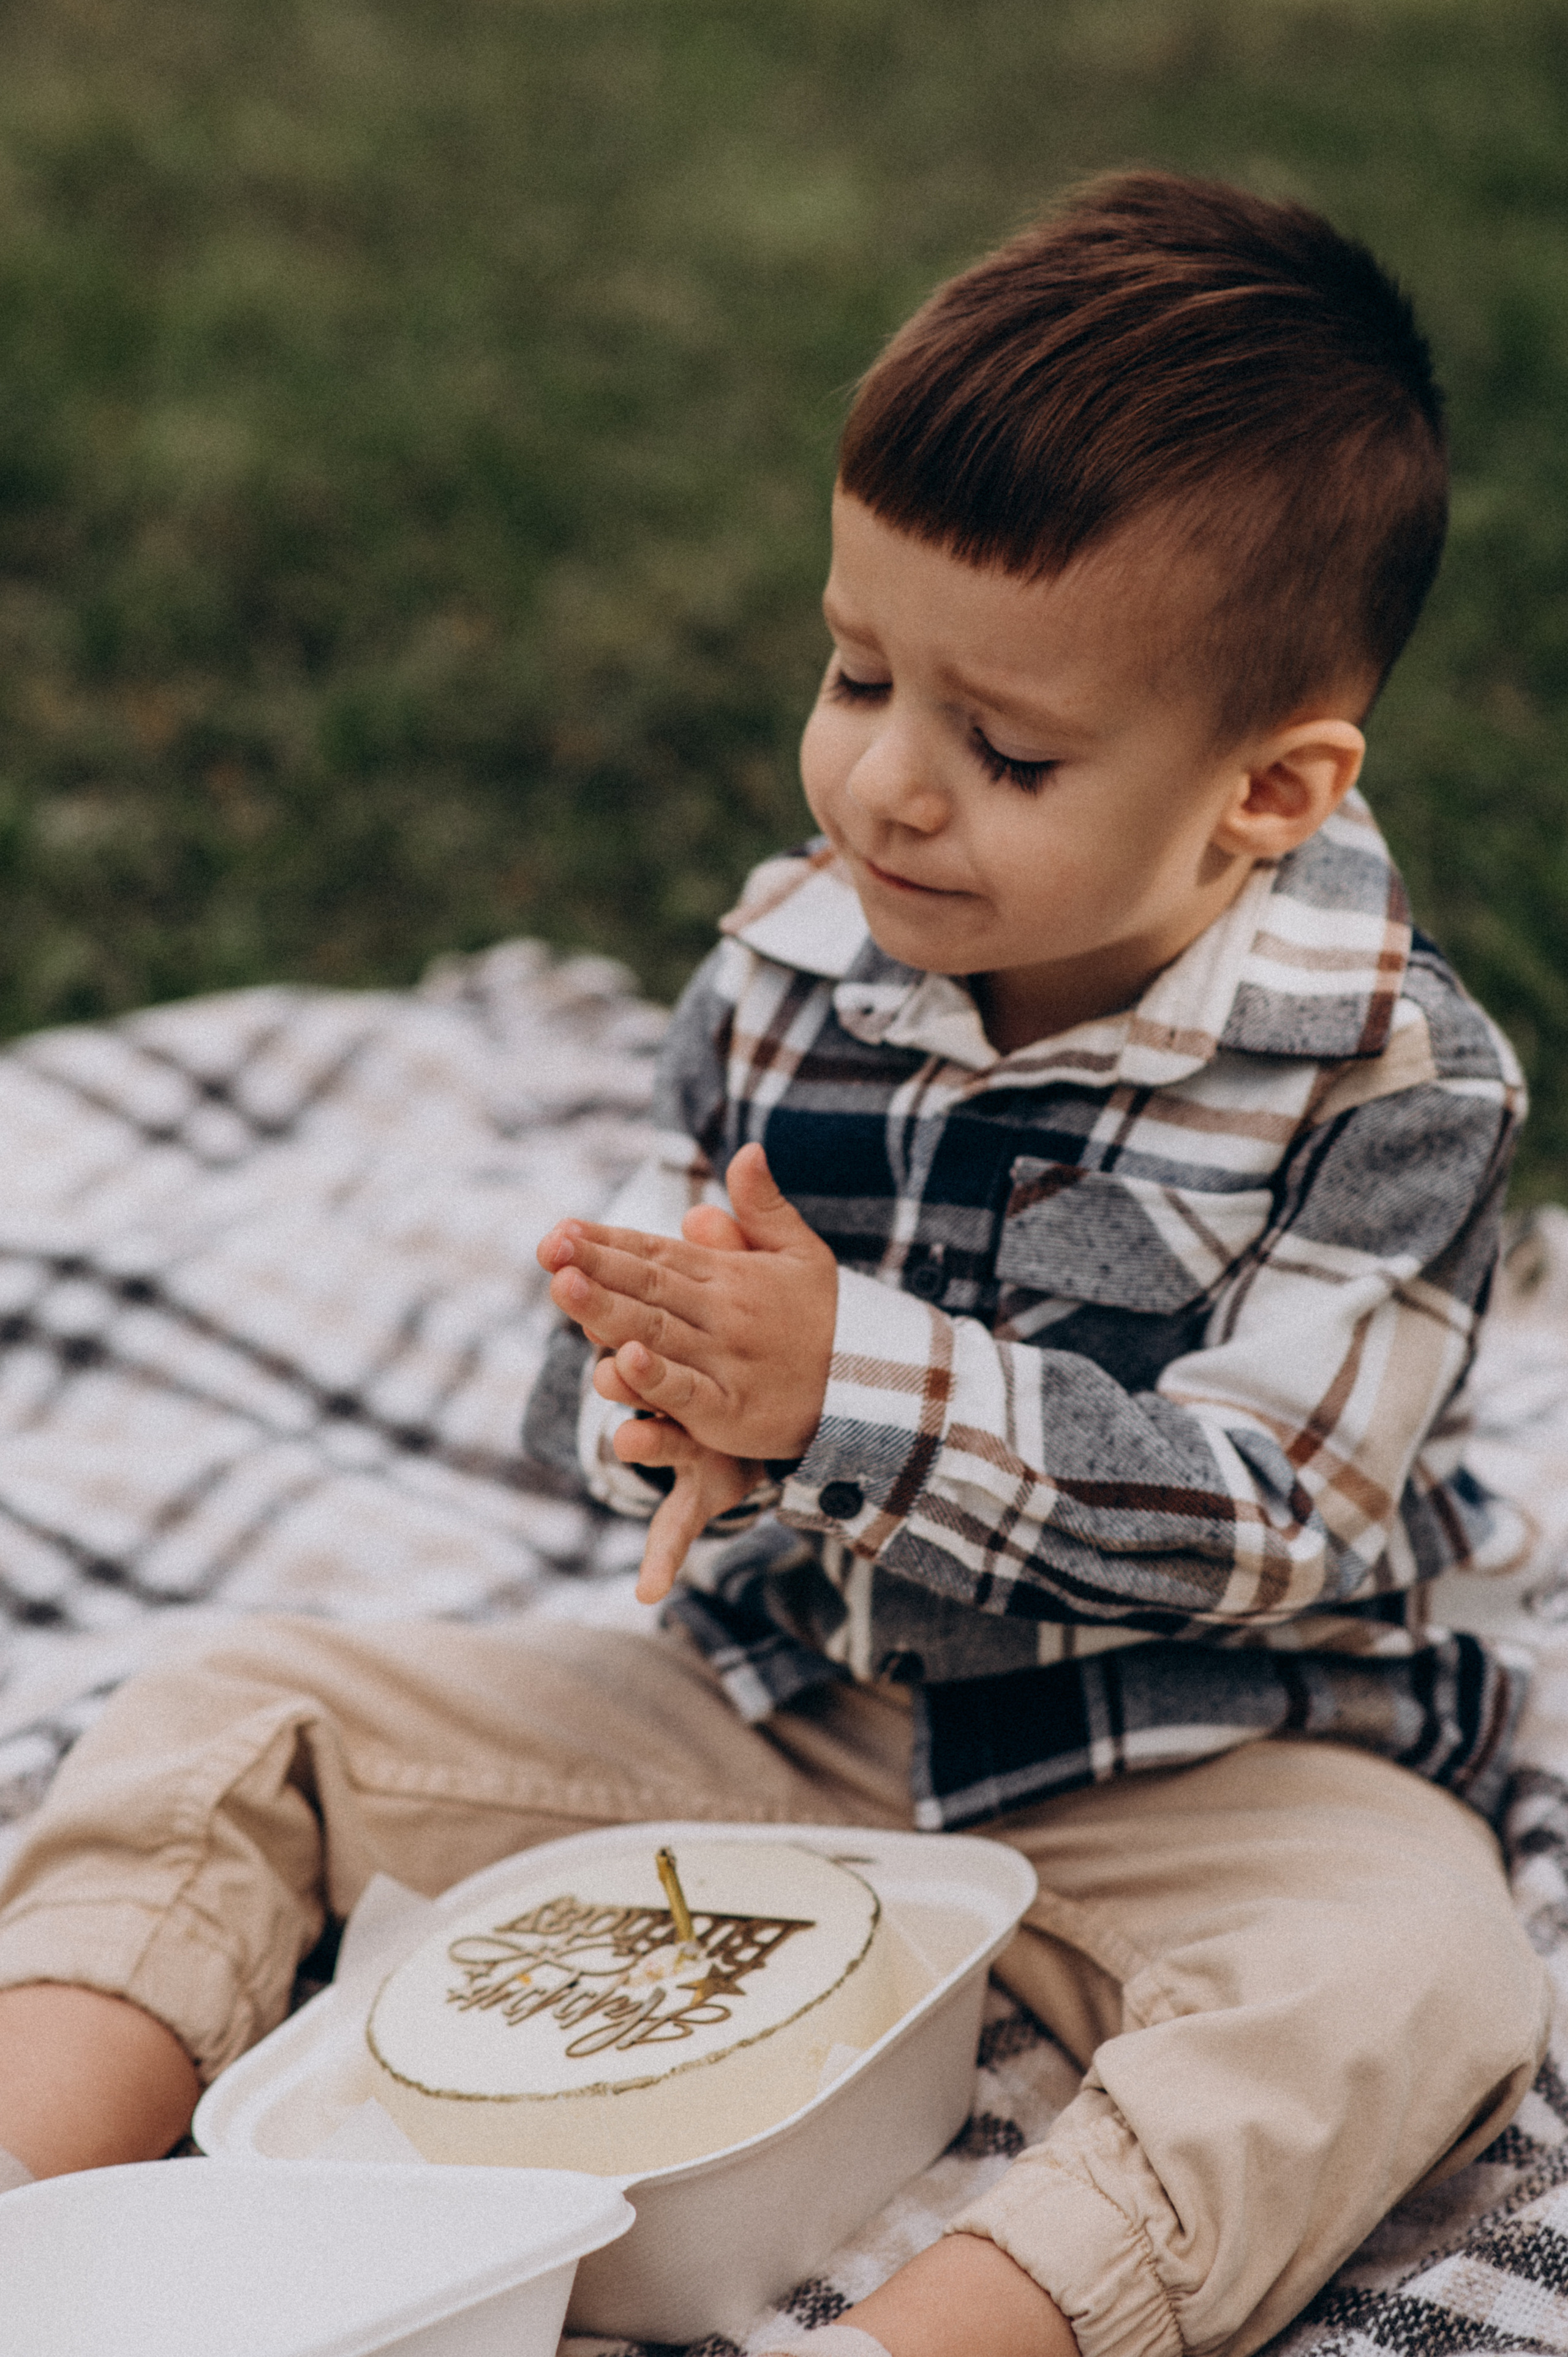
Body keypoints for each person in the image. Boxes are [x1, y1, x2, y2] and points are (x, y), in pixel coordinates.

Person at [0, 172, 1550, 2357]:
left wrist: (851, 1385)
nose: (887, 787)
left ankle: (937, 2334)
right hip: (792, 1708)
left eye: (1005, 748)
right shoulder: (793, 960)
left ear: (1269, 790)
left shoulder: (1392, 1084)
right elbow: (627, 1382)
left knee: (1420, 1978)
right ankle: (32, 2209)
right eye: (853, 670)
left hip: (1212, 1761)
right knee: (227, 1705)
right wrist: (657, 1401)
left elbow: (1273, 1521)